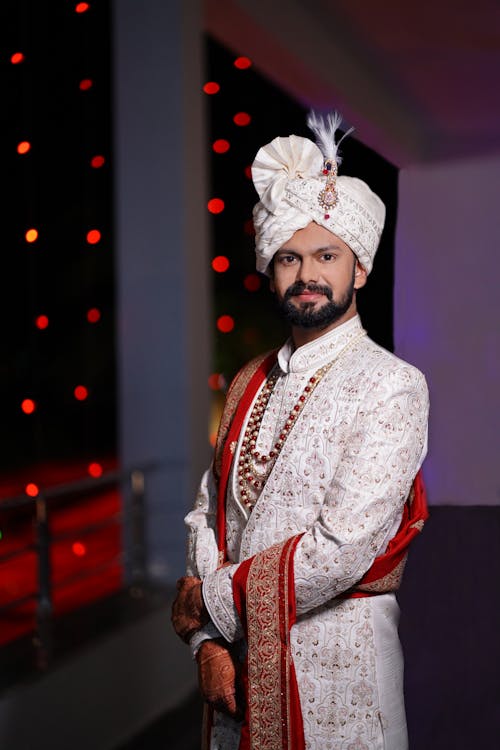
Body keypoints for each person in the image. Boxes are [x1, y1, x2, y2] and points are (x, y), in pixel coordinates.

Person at [172, 112, 429, 750]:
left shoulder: (391, 385)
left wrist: (209, 609)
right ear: (271, 268)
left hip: (340, 679)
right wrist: (208, 645)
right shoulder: (247, 382)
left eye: (326, 256)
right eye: (290, 257)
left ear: (359, 269)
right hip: (233, 671)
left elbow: (340, 549)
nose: (307, 274)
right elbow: (207, 515)